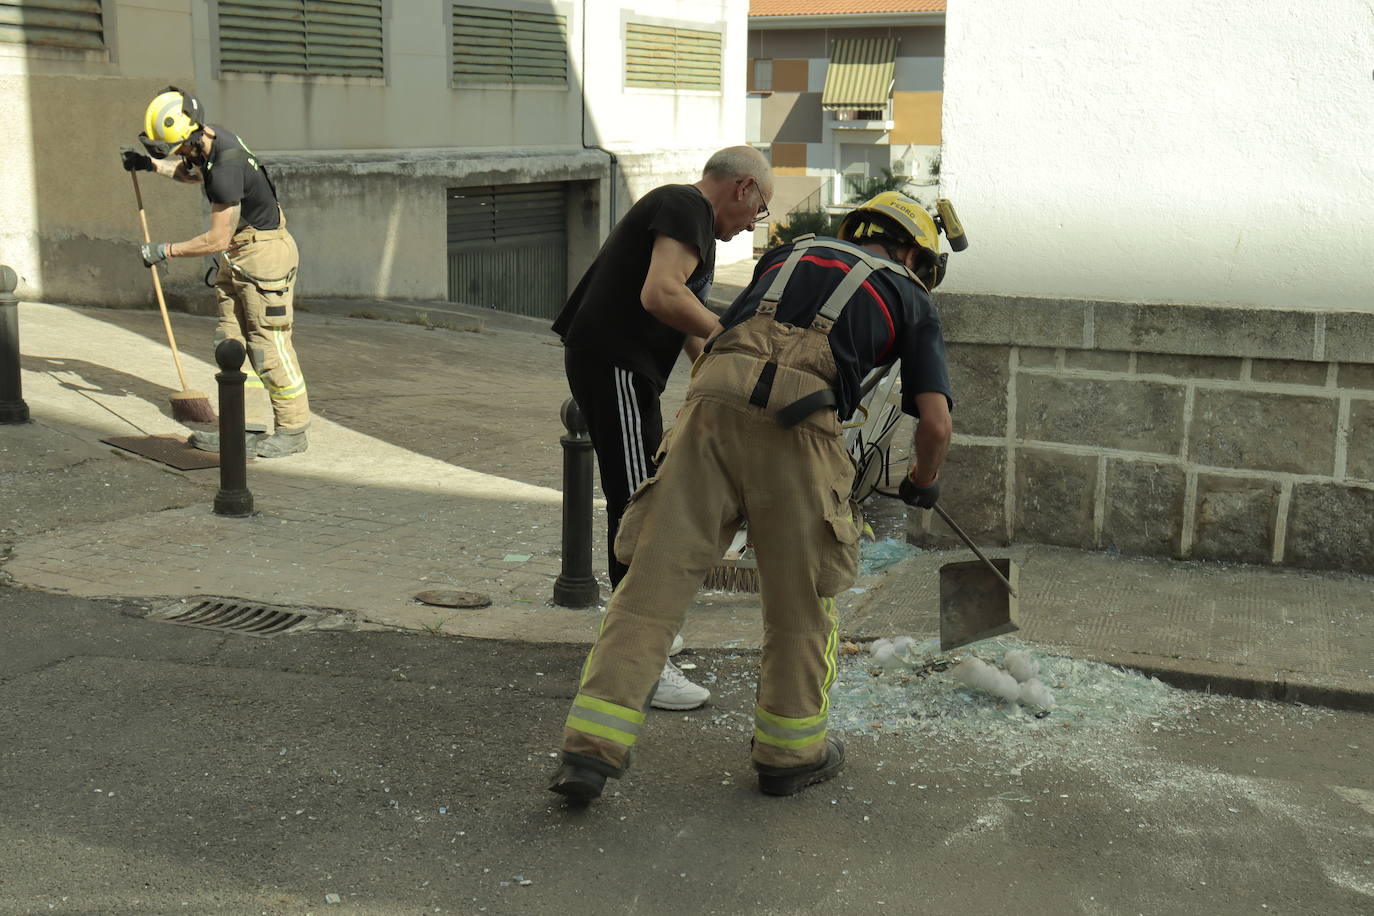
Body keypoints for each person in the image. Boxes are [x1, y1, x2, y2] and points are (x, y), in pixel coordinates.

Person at [548, 191, 960, 801]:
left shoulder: (788, 255)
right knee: (800, 602)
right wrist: (923, 482)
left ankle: (588, 753)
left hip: (710, 403)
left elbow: (726, 335)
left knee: (651, 587)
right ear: (911, 252)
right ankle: (789, 755)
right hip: (802, 421)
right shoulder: (909, 295)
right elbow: (935, 425)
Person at [551, 146, 774, 710]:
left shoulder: (687, 223)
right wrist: (735, 338)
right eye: (760, 209)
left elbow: (691, 331)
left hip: (625, 368)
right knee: (638, 511)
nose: (753, 224)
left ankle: (644, 643)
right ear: (744, 188)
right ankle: (640, 663)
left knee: (643, 502)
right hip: (617, 364)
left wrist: (743, 389)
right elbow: (662, 294)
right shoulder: (685, 207)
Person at [122, 86, 310, 458]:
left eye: (177, 149)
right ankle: (239, 428)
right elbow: (194, 174)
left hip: (263, 257)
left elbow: (216, 239)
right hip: (239, 257)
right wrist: (151, 166)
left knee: (269, 348)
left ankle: (293, 430)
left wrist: (165, 251)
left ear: (191, 137)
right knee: (230, 347)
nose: (179, 156)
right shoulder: (213, 138)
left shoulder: (226, 165)